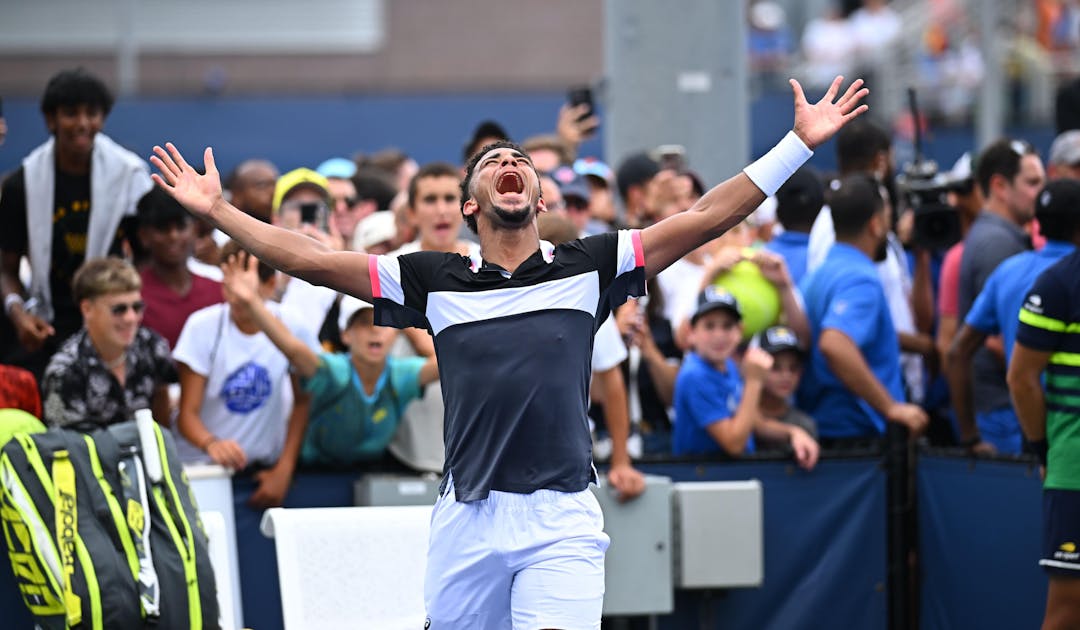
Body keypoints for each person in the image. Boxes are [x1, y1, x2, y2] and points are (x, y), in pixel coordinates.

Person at [150, 74, 867, 628]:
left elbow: (709, 215)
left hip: (562, 516)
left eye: (520, 159)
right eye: (494, 162)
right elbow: (309, 259)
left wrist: (799, 143)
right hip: (467, 515)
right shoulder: (429, 277)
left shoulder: (593, 262)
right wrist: (218, 212)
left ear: (539, 192)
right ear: (471, 205)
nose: (509, 163)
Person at [0, 68, 152, 377]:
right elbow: (6, 268)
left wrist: (124, 312)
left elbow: (147, 258)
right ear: (50, 119)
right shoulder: (22, 184)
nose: (82, 123)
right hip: (45, 326)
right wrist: (18, 314)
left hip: (113, 329)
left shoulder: (130, 176)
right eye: (71, 113)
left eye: (92, 113)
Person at [220, 252, 438, 466]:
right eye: (363, 323)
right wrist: (251, 302)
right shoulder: (335, 370)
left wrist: (411, 324)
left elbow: (448, 362)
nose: (375, 331)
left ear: (398, 331)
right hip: (313, 477)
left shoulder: (403, 374)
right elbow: (295, 351)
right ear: (345, 334)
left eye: (385, 323)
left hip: (370, 476)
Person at [172, 240, 315, 507]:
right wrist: (212, 444)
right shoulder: (201, 327)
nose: (235, 298)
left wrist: (284, 469)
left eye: (245, 289)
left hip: (261, 472)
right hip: (204, 471)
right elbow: (186, 414)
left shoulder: (292, 324)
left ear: (271, 285)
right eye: (228, 286)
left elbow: (304, 400)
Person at [948, 179, 1080, 454]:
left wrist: (970, 437)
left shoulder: (1007, 272)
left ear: (1038, 224)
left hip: (1027, 432)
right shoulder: (1068, 277)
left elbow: (957, 353)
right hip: (1065, 437)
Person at [798, 174, 928, 443]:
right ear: (876, 224)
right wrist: (890, 408)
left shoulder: (819, 274)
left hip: (833, 432)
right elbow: (834, 343)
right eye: (889, 216)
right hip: (860, 439)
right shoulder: (860, 278)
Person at [1008, 245, 1080, 630]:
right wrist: (1044, 451)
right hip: (1075, 474)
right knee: (1069, 612)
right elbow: (1021, 379)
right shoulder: (1059, 284)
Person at [957, 139, 1046, 449]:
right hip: (1004, 413)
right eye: (1033, 183)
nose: (1042, 193)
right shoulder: (998, 245)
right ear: (999, 186)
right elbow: (998, 341)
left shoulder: (998, 237)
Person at [673, 288, 818, 470]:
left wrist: (793, 432)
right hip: (704, 480)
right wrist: (754, 382)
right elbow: (734, 445)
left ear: (740, 331)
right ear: (691, 333)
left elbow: (755, 423)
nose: (719, 335)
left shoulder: (728, 365)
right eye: (709, 326)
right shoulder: (695, 375)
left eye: (727, 326)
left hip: (728, 480)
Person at [41, 257, 175, 429]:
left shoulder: (152, 345)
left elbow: (163, 409)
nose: (130, 318)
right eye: (119, 309)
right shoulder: (64, 371)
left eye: (137, 307)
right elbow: (68, 445)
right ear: (87, 309)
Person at [136, 186, 222, 349]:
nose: (173, 236)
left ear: (195, 229)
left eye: (181, 226)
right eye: (162, 228)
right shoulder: (132, 298)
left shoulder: (219, 288)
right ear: (144, 236)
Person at [753, 325, 819, 453]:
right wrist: (791, 432)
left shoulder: (805, 424)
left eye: (793, 368)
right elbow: (755, 424)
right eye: (775, 367)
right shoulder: (740, 410)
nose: (786, 376)